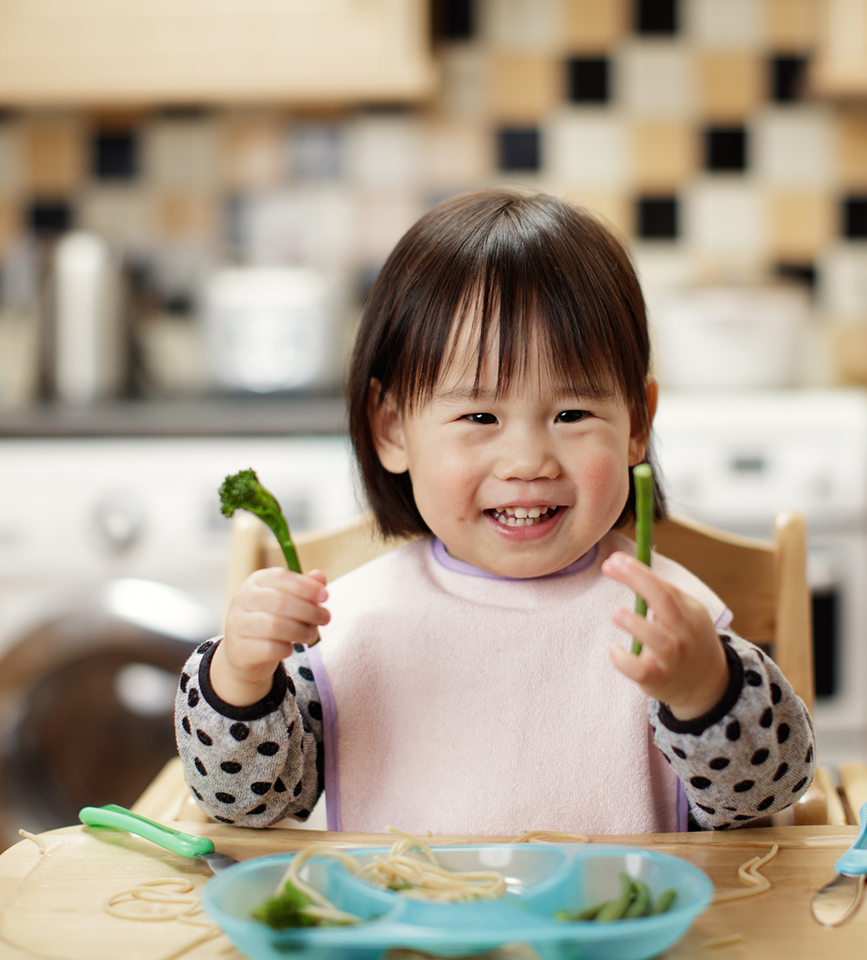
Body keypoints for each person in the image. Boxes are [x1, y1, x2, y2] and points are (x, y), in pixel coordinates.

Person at [175, 189, 815, 836]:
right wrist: (239, 677)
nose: (528, 460)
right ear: (392, 429)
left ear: (637, 424)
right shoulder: (353, 626)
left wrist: (706, 690)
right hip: (405, 935)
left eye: (572, 415)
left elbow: (770, 795)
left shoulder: (673, 624)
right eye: (480, 417)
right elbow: (248, 806)